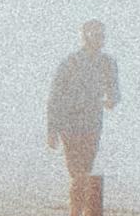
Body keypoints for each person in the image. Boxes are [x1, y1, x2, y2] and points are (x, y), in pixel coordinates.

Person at [48, 21, 119, 198]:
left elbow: (114, 90)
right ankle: (76, 214)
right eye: (96, 35)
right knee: (76, 169)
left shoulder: (107, 63)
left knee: (86, 167)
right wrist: (52, 130)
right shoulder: (70, 63)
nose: (100, 39)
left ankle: (81, 212)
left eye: (102, 35)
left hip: (92, 122)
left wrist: (112, 100)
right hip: (69, 122)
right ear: (85, 36)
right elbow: (55, 97)